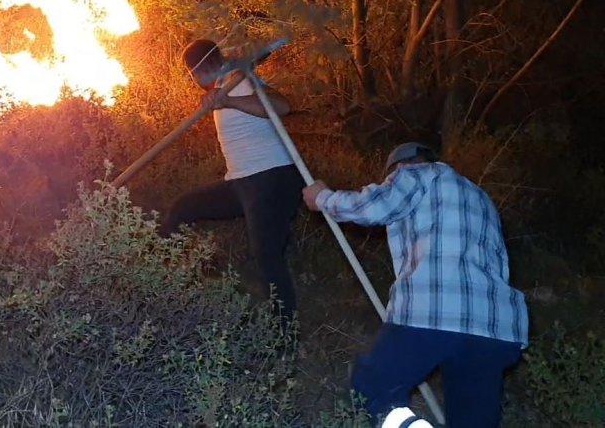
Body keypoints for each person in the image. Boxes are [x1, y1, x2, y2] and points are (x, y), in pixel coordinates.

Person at [303, 142, 529, 428]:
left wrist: (322, 197)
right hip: (494, 328)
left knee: (371, 390)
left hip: (434, 313)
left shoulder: (417, 174)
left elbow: (371, 206)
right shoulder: (480, 196)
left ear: (400, 166)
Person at [160, 38, 301, 322]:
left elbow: (282, 106)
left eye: (192, 76)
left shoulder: (241, 80)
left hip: (270, 177)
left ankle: (284, 336)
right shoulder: (228, 81)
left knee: (266, 255)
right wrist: (222, 97)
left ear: (197, 72)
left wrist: (229, 100)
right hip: (241, 182)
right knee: (183, 208)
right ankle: (167, 275)